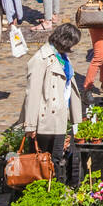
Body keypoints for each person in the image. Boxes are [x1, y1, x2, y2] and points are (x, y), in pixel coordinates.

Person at [21, 23, 83, 181]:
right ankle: (44, 192)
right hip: (46, 118)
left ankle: (53, 190)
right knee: (44, 161)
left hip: (60, 116)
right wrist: (30, 125)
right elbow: (32, 93)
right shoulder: (41, 59)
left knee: (55, 158)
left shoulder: (61, 57)